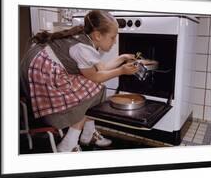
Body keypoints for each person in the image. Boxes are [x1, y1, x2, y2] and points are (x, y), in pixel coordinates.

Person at [20, 10, 140, 153]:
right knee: (96, 87)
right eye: (112, 38)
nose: (114, 42)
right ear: (98, 35)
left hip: (41, 71)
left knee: (95, 87)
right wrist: (121, 71)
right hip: (40, 77)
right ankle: (68, 144)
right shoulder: (83, 49)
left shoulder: (86, 39)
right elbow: (96, 77)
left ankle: (88, 135)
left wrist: (121, 59)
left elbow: (100, 70)